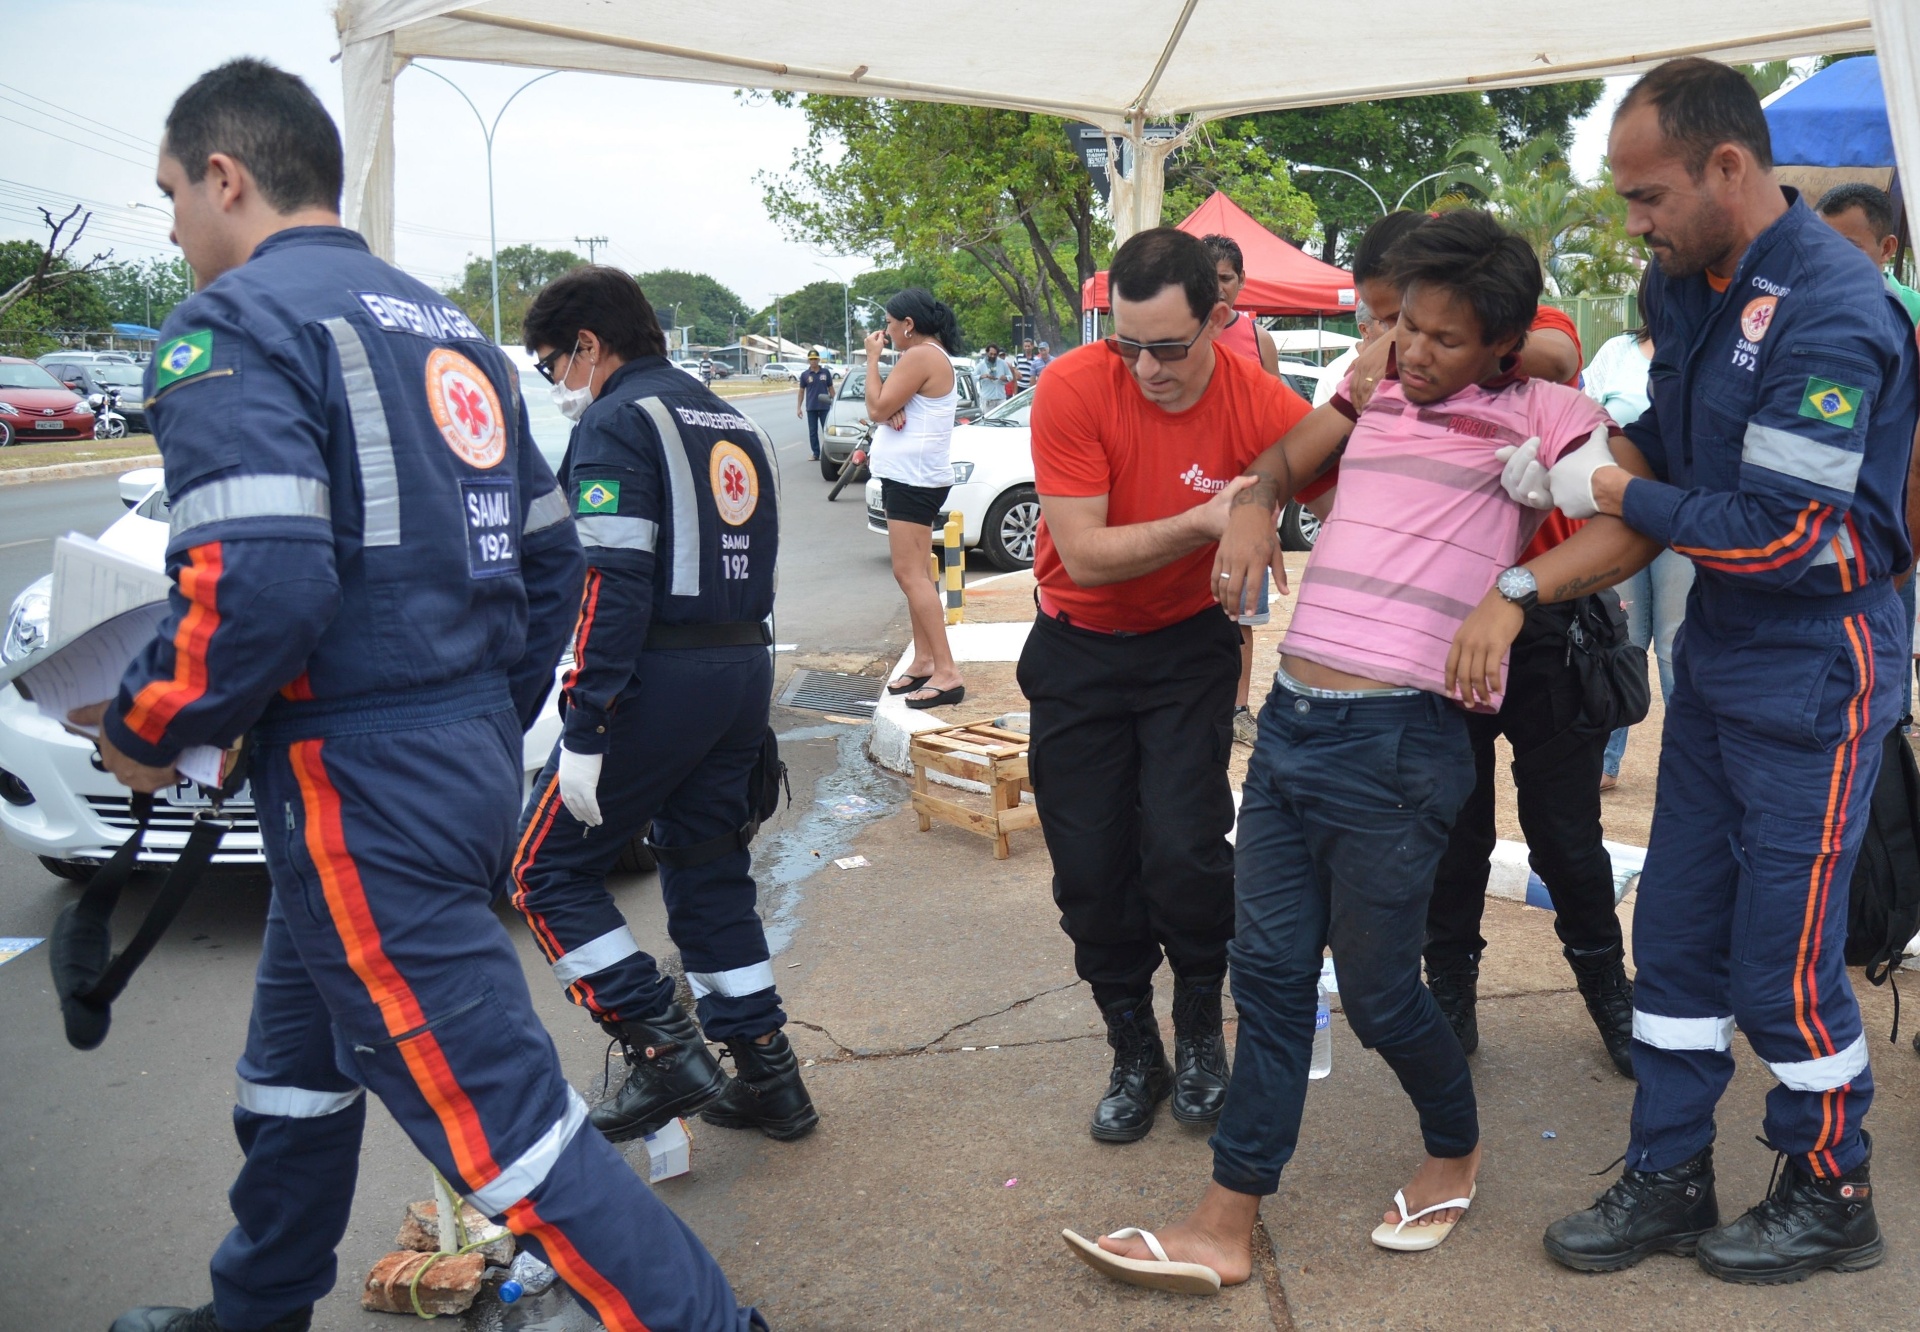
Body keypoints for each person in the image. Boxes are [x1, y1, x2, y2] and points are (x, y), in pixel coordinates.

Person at [93, 61, 764, 1332]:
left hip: (356, 784)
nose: (175, 224)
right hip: (438, 756)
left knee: (508, 1132)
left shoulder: (234, 326)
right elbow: (554, 562)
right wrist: (462, 704)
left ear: (225, 177)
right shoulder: (444, 327)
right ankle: (258, 1308)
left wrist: (146, 725)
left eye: (173, 194)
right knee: (295, 1070)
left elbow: (261, 582)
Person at [1067, 209, 1634, 1292]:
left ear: (1503, 345)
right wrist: (1252, 509)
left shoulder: (1542, 411)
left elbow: (1633, 520)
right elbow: (1282, 466)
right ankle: (1224, 1225)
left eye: (1444, 339)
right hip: (1289, 728)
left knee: (1378, 997)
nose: (1413, 353)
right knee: (1270, 979)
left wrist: (1516, 592)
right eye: (1403, 326)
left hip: (1400, 742)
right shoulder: (1373, 392)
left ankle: (1455, 1142)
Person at [1525, 57, 1918, 1284]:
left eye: (1647, 196)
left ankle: (1829, 1187)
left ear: (1728, 168)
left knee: (1782, 961)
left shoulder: (1832, 308)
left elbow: (1792, 531)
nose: (1633, 224)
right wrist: (1577, 439)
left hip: (1818, 660)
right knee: (1682, 937)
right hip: (1724, 652)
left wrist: (1615, 490)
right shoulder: (1686, 278)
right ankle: (1668, 1169)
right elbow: (1678, 443)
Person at [1292, 208, 1632, 1076]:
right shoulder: (1387, 387)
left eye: (1413, 324)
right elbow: (1317, 477)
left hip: (1548, 619)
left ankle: (1609, 992)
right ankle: (1451, 996)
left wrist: (1508, 396)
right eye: (1383, 322)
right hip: (1439, 637)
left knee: (1566, 834)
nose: (1394, 345)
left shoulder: (1529, 363)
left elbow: (1555, 354)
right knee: (1455, 829)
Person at [508, 267, 815, 1150]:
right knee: (706, 864)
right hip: (742, 669)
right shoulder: (730, 416)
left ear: (591, 346)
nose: (559, 386)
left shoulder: (616, 420)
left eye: (555, 366)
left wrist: (588, 720)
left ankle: (661, 1048)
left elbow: (610, 578)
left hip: (658, 680)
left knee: (541, 872)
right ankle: (769, 1078)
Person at [1018, 228, 1310, 1145]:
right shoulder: (1072, 384)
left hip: (1187, 651)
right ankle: (1131, 1045)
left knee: (1186, 850)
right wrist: (1211, 518)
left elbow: (1342, 467)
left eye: (1170, 347)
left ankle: (1196, 1033)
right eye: (1126, 342)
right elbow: (1090, 555)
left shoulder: (1257, 396)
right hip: (1077, 652)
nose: (1146, 368)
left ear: (1220, 320)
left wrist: (1262, 504)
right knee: (1091, 870)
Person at [1586, 279, 1694, 792]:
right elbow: (1589, 418)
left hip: (1680, 519)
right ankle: (1605, 761)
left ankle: (1685, 764)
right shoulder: (1617, 351)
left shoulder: (1705, 350)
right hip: (1620, 515)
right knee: (1620, 637)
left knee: (1676, 645)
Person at [1201, 232, 1283, 745]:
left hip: (1248, 500)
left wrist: (1269, 503)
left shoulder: (1258, 341)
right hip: (1193, 498)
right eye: (1209, 278)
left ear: (1241, 281)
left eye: (1225, 278)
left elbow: (1279, 427)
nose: (1217, 288)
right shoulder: (1185, 336)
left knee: (1241, 613)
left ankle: (1237, 708)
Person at [868, 288, 966, 709]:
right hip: (915, 476)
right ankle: (925, 659)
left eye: (890, 325)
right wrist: (887, 408)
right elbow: (884, 407)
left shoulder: (921, 355)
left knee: (909, 575)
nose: (886, 333)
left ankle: (946, 672)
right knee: (917, 575)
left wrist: (872, 359)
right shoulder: (930, 357)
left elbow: (874, 407)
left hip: (912, 480)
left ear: (908, 324)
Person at [1816, 182, 1920, 326]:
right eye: (1821, 246)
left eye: (1848, 247)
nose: (1830, 259)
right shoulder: (1804, 307)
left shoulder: (1916, 314)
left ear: (1886, 249)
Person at [795, 348, 835, 460]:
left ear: (818, 360)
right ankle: (816, 453)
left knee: (826, 431)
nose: (813, 361)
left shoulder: (825, 373)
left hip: (825, 407)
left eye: (815, 359)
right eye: (811, 359)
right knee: (813, 432)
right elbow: (801, 391)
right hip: (811, 407)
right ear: (808, 361)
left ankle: (828, 453)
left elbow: (830, 388)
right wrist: (799, 408)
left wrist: (835, 402)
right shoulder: (805, 375)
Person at [977, 342, 1015, 406]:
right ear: (987, 353)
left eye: (995, 354)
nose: (992, 356)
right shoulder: (981, 364)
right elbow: (973, 376)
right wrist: (983, 376)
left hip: (1001, 398)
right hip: (988, 399)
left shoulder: (1002, 363)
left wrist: (1005, 377)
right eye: (991, 354)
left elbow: (1011, 377)